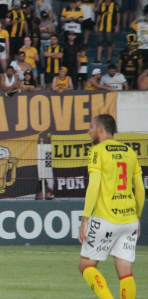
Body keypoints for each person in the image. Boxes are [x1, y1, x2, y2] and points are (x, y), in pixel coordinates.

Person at [78, 114, 144, 299]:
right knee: (125, 273)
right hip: (129, 220)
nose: (89, 131)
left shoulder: (97, 152)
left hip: (105, 219)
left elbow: (94, 185)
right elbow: (139, 189)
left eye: (91, 127)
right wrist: (137, 216)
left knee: (86, 266)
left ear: (100, 130)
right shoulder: (130, 152)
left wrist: (85, 219)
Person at [96, 0, 120, 64]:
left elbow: (118, 15)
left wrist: (117, 26)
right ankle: (98, 59)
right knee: (99, 43)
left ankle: (108, 59)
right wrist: (96, 25)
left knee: (110, 43)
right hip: (101, 27)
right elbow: (99, 15)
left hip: (110, 27)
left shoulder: (114, 5)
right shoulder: (101, 5)